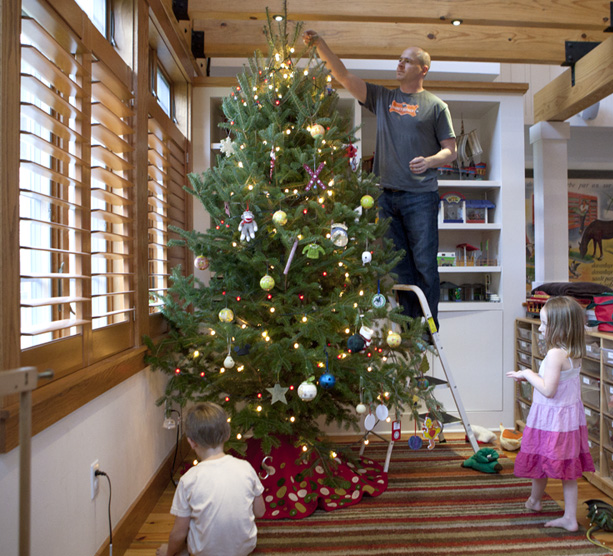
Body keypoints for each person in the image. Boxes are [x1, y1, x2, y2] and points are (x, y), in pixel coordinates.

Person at [303, 31, 456, 332]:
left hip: (420, 196)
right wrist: (321, 45)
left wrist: (429, 161)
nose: (400, 64)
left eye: (407, 61)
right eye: (399, 60)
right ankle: (409, 329)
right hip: (386, 196)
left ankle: (428, 330)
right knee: (399, 268)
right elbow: (344, 76)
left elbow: (451, 150)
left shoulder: (436, 106)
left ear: (423, 69)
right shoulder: (384, 98)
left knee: (425, 265)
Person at [506, 296, 595, 531]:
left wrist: (527, 373)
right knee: (566, 470)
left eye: (545, 323)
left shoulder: (556, 354)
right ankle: (562, 513)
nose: (540, 328)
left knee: (541, 461)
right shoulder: (572, 351)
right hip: (567, 422)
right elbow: (558, 384)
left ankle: (541, 504)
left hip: (551, 422)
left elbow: (548, 389)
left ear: (561, 327)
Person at [157, 402, 266, 556]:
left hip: (205, 552)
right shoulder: (246, 468)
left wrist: (168, 552)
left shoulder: (188, 480)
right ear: (227, 434)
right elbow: (260, 512)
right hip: (244, 549)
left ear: (191, 442)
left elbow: (179, 533)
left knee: (184, 537)